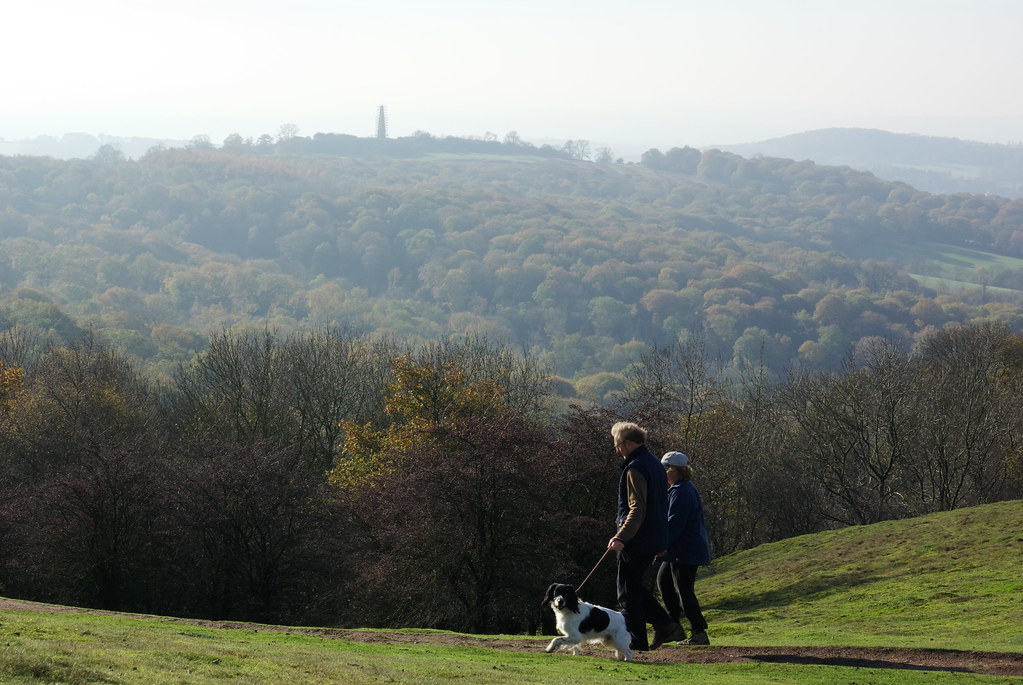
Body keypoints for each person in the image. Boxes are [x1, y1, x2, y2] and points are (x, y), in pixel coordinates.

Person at [607, 422, 686, 651]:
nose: (617, 449)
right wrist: (660, 540)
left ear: (629, 444)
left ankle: (636, 641)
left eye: (618, 444)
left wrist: (621, 537)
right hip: (654, 537)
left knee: (626, 592)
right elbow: (659, 506)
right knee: (633, 587)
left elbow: (637, 509)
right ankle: (665, 625)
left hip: (637, 539)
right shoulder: (654, 464)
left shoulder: (635, 468)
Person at [656, 451, 712, 646]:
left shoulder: (681, 491)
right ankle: (674, 627)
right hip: (680, 549)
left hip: (684, 550)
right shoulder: (681, 488)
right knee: (665, 583)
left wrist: (661, 545)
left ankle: (698, 631)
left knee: (684, 591)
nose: (662, 474)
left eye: (664, 470)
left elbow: (675, 524)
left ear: (674, 471)